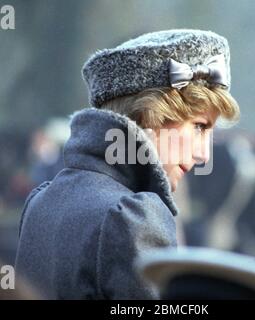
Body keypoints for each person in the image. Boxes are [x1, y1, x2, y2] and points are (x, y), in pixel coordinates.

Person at [14, 29, 239, 299]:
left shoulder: (41, 200)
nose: (204, 154)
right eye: (200, 127)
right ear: (152, 115)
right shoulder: (133, 216)